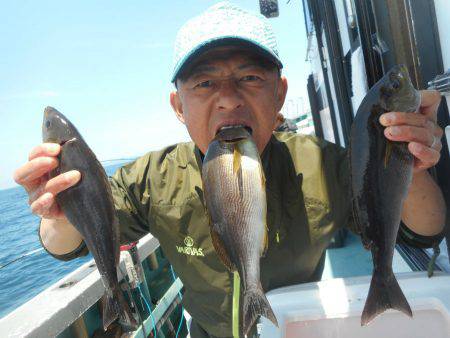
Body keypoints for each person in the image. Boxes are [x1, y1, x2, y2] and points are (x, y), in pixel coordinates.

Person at [13, 3, 446, 338]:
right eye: (204, 83)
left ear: (279, 94)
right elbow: (69, 245)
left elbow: (424, 233)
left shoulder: (322, 162)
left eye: (251, 78)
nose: (228, 99)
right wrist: (59, 211)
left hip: (293, 325)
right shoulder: (153, 177)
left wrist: (409, 163)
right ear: (179, 107)